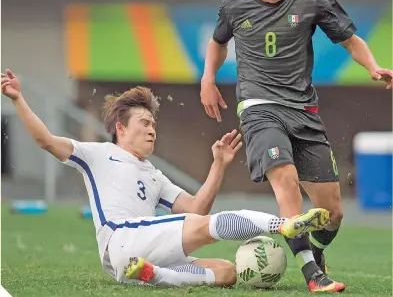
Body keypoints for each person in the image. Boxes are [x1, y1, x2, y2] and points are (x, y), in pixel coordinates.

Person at [1, 68, 330, 288]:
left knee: (227, 273)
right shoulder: (96, 153)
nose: (151, 128)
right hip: (123, 238)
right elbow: (46, 140)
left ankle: (156, 276)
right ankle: (282, 225)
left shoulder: (154, 175)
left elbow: (197, 209)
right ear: (120, 128)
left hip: (138, 260)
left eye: (153, 124)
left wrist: (218, 165)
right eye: (143, 122)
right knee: (207, 228)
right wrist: (18, 98)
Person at [200, 0, 393, 293]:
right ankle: (312, 275)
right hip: (259, 109)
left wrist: (373, 66)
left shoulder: (313, 1)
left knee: (331, 213)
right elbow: (218, 41)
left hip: (303, 112)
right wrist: (208, 78)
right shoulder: (234, 5)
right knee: (286, 180)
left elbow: (351, 40)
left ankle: (315, 252)